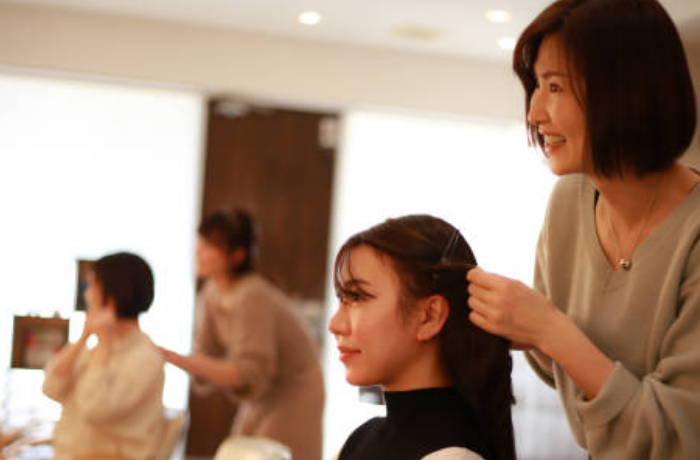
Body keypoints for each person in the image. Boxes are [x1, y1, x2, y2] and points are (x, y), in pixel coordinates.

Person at [465, 1, 699, 459]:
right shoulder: (569, 201)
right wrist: (518, 326)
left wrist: (550, 328)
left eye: (554, 86)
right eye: (536, 86)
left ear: (624, 91)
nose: (534, 113)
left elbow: (677, 438)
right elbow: (565, 373)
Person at [329, 215, 515, 460]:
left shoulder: (453, 456)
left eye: (357, 297)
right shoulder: (359, 439)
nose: (335, 325)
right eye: (342, 298)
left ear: (429, 316)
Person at [158, 209, 324, 460]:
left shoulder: (252, 294)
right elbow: (205, 355)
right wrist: (183, 360)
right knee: (239, 449)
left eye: (209, 246)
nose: (199, 251)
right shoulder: (212, 292)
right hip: (261, 394)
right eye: (200, 243)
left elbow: (250, 371)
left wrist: (177, 358)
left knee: (271, 453)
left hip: (294, 389)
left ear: (237, 255)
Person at [43, 252, 165, 460]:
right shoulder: (94, 346)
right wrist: (84, 337)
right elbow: (51, 387)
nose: (87, 294)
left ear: (114, 292)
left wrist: (105, 345)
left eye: (92, 285)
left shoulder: (145, 357)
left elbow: (95, 409)